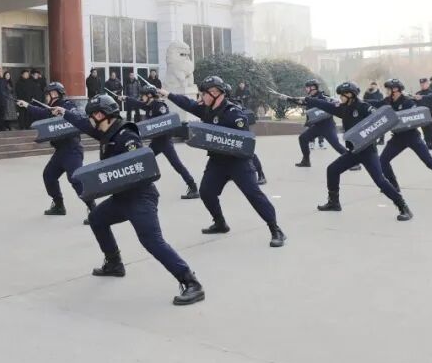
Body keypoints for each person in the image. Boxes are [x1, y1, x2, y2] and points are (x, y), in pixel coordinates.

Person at [54, 94, 205, 306]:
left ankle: (191, 282)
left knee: (152, 242)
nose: (89, 120)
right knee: (97, 218)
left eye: (91, 115)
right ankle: (114, 263)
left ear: (101, 115)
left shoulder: (127, 137)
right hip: (122, 197)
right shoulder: (107, 131)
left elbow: (140, 165)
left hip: (140, 198)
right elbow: (84, 125)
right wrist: (65, 113)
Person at [162, 76, 286, 246]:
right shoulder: (206, 109)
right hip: (217, 161)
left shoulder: (234, 113)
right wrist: (167, 94)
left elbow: (245, 141)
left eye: (203, 94)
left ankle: (276, 229)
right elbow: (187, 104)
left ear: (215, 93)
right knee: (206, 192)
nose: (201, 97)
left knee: (253, 194)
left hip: (238, 163)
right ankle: (220, 223)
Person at [290, 82, 413, 221]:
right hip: (354, 151)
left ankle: (403, 207)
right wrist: (307, 100)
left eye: (342, 95)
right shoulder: (343, 108)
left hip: (367, 151)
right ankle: (334, 203)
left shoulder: (363, 107)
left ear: (350, 95)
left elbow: (381, 119)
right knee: (332, 170)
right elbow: (325, 105)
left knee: (380, 181)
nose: (340, 98)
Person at [16, 82, 96, 218]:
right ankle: (58, 205)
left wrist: (62, 113)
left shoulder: (67, 105)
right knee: (49, 175)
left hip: (72, 149)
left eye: (47, 94)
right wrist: (27, 105)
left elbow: (77, 115)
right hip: (60, 151)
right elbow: (41, 112)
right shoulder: (51, 109)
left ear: (54, 94)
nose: (46, 97)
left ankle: (93, 209)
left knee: (75, 179)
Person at [377, 79, 432, 199]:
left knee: (429, 162)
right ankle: (394, 186)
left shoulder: (408, 101)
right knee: (382, 160)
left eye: (388, 89)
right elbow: (376, 104)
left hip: (412, 137)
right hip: (398, 138)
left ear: (396, 90)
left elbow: (416, 114)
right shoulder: (388, 101)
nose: (387, 91)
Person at [122, 83, 199, 199]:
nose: (141, 97)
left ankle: (193, 187)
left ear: (149, 95)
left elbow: (167, 122)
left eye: (143, 95)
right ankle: (135, 189)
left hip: (165, 141)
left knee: (177, 165)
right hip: (156, 142)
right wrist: (126, 98)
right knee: (142, 161)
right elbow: (138, 103)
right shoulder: (149, 105)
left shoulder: (159, 106)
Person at [295, 79, 344, 167]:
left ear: (313, 88)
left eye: (307, 87)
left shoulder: (324, 97)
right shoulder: (310, 98)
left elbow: (333, 105)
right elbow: (301, 102)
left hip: (328, 126)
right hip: (317, 127)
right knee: (303, 138)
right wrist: (288, 98)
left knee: (337, 146)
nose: (306, 89)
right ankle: (306, 161)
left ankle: (353, 162)